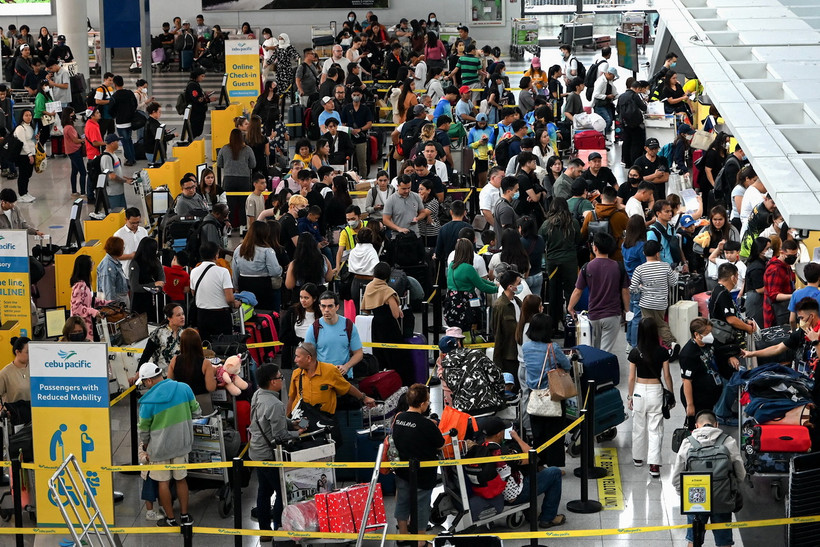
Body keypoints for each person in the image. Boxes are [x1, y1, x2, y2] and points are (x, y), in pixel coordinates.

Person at [136, 362, 201, 527]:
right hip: (181, 444)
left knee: (163, 483)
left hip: (159, 449)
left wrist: (145, 445)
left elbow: (143, 429)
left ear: (149, 381)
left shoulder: (147, 402)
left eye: (143, 383)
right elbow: (197, 412)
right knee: (181, 480)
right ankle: (185, 516)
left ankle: (170, 519)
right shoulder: (184, 388)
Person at [474, 416, 565, 529]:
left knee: (523, 471)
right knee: (554, 473)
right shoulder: (504, 453)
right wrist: (517, 438)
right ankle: (548, 518)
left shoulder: (478, 448)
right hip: (512, 496)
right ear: (499, 434)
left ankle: (530, 514)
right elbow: (532, 457)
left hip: (491, 493)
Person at [671, 410, 745, 547]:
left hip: (695, 498)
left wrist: (684, 494)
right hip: (722, 498)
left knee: (693, 540)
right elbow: (740, 472)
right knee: (724, 541)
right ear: (716, 425)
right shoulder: (728, 441)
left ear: (696, 426)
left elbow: (676, 477)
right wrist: (732, 488)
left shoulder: (688, 442)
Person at [249, 364, 303, 540]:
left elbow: (266, 420)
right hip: (268, 454)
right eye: (280, 377)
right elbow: (280, 436)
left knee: (264, 491)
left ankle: (265, 532)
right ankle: (279, 528)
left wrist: (291, 423)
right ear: (273, 382)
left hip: (256, 450)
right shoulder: (276, 404)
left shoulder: (258, 394)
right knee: (282, 491)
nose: (282, 380)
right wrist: (298, 433)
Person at [392, 383, 445, 545]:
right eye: (427, 401)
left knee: (402, 501)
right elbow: (440, 444)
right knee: (421, 505)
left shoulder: (399, 418)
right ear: (422, 404)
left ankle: (402, 536)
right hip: (423, 474)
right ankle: (420, 541)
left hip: (402, 470)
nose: (428, 404)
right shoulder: (426, 424)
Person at [522, 313, 571, 467]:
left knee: (538, 434)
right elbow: (567, 366)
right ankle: (555, 467)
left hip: (534, 396)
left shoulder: (525, 347)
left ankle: (539, 465)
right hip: (553, 395)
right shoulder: (552, 348)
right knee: (555, 434)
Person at [627, 317, 674, 477]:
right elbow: (667, 376)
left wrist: (630, 396)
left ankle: (638, 458)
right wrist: (671, 393)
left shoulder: (635, 352)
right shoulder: (662, 352)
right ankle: (654, 465)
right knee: (655, 428)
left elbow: (631, 378)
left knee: (638, 426)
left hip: (639, 390)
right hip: (656, 391)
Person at [568, 232, 630, 354]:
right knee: (605, 351)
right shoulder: (618, 267)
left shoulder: (587, 267)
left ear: (595, 248)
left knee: (595, 348)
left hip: (594, 314)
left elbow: (578, 291)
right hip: (612, 314)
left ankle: (596, 364)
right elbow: (625, 291)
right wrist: (627, 310)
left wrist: (570, 307)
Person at [286, 341, 375, 416]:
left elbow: (347, 387)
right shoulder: (296, 374)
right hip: (302, 419)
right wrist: (288, 420)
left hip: (324, 419)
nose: (295, 360)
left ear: (308, 358)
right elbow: (292, 398)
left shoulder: (330, 371)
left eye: (298, 356)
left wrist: (364, 398)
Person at [361, 261, 414, 384]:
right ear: (387, 276)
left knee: (380, 356)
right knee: (397, 357)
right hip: (389, 327)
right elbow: (395, 314)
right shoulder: (387, 291)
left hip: (376, 325)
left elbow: (365, 309)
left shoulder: (369, 287)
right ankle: (403, 383)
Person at [630, 240, 680, 357]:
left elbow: (632, 288)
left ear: (644, 253)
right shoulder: (665, 266)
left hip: (646, 303)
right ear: (658, 253)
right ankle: (671, 343)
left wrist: (641, 288)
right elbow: (673, 283)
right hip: (661, 303)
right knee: (661, 324)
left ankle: (648, 349)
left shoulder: (640, 269)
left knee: (647, 326)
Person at [539, 198, 580, 334]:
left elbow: (541, 240)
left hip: (553, 263)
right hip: (570, 261)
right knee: (571, 292)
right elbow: (579, 240)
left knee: (553, 293)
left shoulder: (547, 224)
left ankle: (553, 325)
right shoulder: (573, 223)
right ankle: (572, 322)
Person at [303, 291, 363, 379]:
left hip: (344, 376)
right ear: (320, 307)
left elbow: (358, 353)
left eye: (330, 306)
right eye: (323, 306)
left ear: (337, 307)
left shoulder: (348, 325)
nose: (326, 310)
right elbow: (307, 356)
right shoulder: (314, 328)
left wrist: (346, 366)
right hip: (322, 376)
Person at [190, 241, 240, 342]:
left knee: (206, 345)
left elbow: (194, 293)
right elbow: (230, 299)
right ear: (216, 255)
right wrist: (236, 303)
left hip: (202, 315)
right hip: (220, 316)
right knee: (223, 346)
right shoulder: (223, 272)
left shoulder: (194, 271)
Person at [445, 238, 498, 332]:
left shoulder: (452, 265)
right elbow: (482, 286)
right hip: (466, 306)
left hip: (452, 302)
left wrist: (494, 285)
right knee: (468, 331)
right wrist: (498, 288)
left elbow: (478, 280)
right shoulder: (468, 268)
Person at [232, 221, 282, 312]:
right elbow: (275, 272)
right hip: (262, 285)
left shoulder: (239, 249)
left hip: (244, 283)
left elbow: (235, 271)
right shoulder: (267, 250)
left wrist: (236, 287)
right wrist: (281, 269)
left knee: (248, 311)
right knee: (265, 312)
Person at [167, 328, 216, 413]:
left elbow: (169, 384)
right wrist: (213, 376)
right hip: (201, 402)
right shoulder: (205, 363)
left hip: (181, 403)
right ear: (198, 343)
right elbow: (210, 387)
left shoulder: (174, 360)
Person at [218, 128, 256, 228]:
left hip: (229, 179)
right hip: (244, 180)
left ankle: (229, 226)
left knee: (229, 205)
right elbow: (253, 164)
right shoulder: (247, 149)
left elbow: (219, 164)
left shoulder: (224, 149)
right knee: (243, 205)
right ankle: (242, 226)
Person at [493, 269, 523, 380]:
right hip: (509, 354)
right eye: (518, 283)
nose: (520, 286)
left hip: (520, 352)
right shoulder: (500, 306)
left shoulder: (517, 301)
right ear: (510, 287)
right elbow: (497, 333)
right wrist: (497, 361)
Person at [764, 239, 799, 327]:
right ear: (782, 253)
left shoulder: (786, 266)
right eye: (790, 255)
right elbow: (774, 295)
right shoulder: (775, 270)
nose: (793, 257)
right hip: (776, 314)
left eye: (795, 255)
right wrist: (793, 295)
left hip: (785, 310)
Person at [129, 238, 165, 319]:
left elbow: (162, 278)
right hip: (140, 302)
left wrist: (158, 287)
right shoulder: (135, 264)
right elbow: (134, 287)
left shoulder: (156, 261)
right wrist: (153, 285)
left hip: (155, 300)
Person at [114, 208, 148, 276]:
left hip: (142, 272)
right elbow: (114, 256)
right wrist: (130, 256)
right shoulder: (119, 235)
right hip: (126, 274)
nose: (135, 225)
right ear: (126, 219)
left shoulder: (143, 231)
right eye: (132, 223)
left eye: (138, 222)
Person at [12, 108, 37, 202]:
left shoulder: (30, 127)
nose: (28, 117)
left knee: (28, 174)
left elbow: (31, 140)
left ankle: (25, 192)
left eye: (30, 115)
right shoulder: (20, 128)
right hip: (23, 155)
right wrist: (29, 154)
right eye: (26, 115)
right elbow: (23, 142)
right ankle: (22, 194)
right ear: (22, 116)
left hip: (31, 153)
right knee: (23, 175)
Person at [96, 236, 129, 305]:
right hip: (116, 302)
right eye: (122, 247)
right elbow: (108, 289)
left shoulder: (115, 261)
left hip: (121, 299)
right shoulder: (108, 266)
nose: (123, 248)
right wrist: (113, 306)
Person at [0, 336, 31, 404]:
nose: (31, 355)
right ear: (17, 352)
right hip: (15, 410)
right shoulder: (5, 373)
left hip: (35, 410)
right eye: (27, 352)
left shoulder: (35, 369)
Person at [185, 68, 211, 139]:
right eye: (202, 76)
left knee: (197, 131)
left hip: (198, 113)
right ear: (197, 75)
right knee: (195, 131)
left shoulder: (195, 84)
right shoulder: (192, 85)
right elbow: (197, 99)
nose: (203, 78)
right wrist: (208, 100)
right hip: (195, 113)